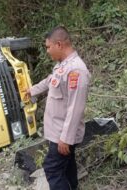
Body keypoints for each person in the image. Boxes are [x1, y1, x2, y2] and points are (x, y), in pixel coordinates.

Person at [26, 26, 91, 190]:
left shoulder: (76, 70)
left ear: (59, 44)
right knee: (67, 167)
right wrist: (32, 91)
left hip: (63, 134)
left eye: (48, 47)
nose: (47, 51)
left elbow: (76, 107)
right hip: (58, 131)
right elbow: (50, 81)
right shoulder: (63, 66)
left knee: (52, 168)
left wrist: (66, 139)